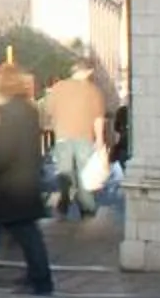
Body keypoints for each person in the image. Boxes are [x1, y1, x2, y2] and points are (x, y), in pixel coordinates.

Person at [0, 66, 54, 294]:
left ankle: (41, 280)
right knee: (20, 229)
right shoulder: (29, 109)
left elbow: (4, 151)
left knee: (26, 232)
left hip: (12, 184)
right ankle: (31, 275)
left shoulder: (9, 112)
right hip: (24, 179)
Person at [40, 62, 109, 220]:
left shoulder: (58, 88)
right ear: (88, 71)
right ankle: (87, 208)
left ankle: (64, 199)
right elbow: (98, 118)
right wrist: (100, 140)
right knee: (85, 174)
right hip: (85, 137)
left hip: (62, 137)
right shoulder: (93, 90)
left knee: (65, 172)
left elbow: (48, 111)